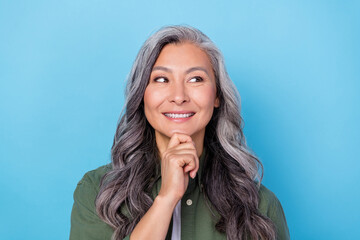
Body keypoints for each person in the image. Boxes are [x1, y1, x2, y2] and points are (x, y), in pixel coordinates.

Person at [70, 25, 290, 240]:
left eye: (196, 79)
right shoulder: (98, 193)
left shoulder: (260, 207)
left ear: (217, 96)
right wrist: (166, 198)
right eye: (161, 79)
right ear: (142, 95)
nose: (178, 96)